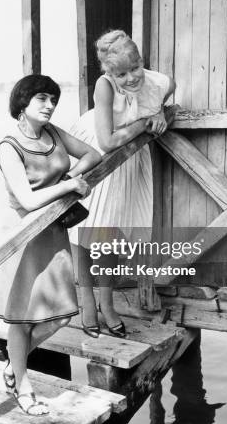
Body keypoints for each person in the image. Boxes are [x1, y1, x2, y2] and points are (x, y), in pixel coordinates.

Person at [0, 74, 101, 416]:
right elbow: (26, 197)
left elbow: (93, 154)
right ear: (22, 102)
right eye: (42, 98)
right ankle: (23, 388)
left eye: (53, 99)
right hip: (27, 238)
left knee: (61, 317)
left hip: (54, 233)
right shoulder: (9, 146)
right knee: (21, 320)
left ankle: (14, 364)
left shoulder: (54, 134)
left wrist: (71, 177)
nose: (50, 105)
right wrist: (69, 187)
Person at [69, 30, 176, 338]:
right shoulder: (104, 87)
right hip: (99, 151)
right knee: (84, 229)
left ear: (141, 61)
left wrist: (159, 114)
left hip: (129, 160)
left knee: (111, 234)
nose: (130, 78)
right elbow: (108, 140)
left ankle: (107, 302)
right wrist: (144, 123)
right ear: (108, 72)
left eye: (135, 69)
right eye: (121, 74)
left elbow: (168, 91)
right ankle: (87, 302)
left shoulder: (158, 81)